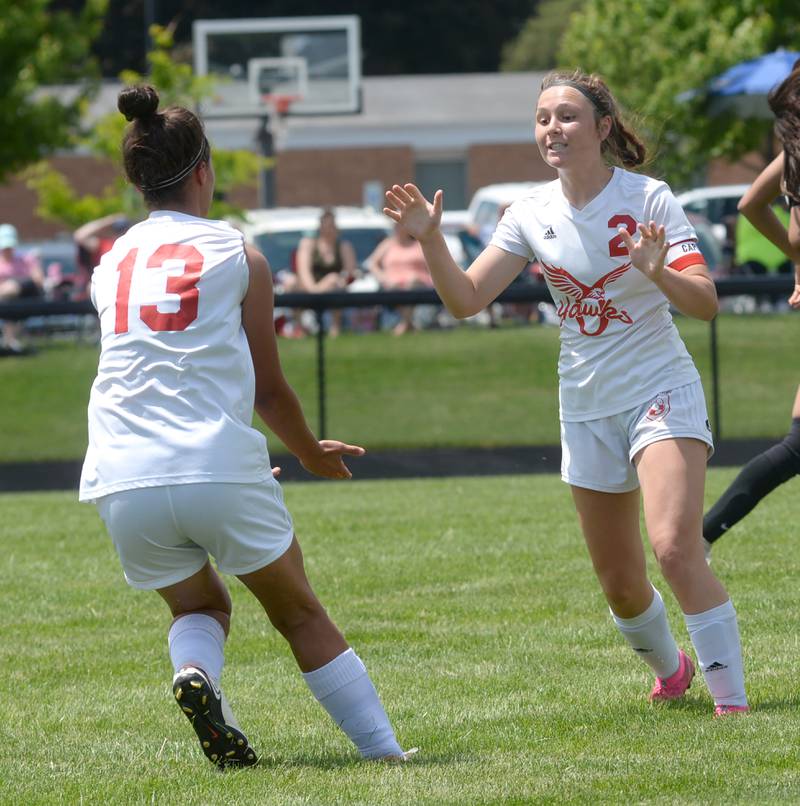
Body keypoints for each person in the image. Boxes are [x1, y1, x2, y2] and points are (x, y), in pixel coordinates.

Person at [384, 69, 749, 716]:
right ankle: (673, 671)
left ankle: (733, 701)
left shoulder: (650, 198)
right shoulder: (529, 212)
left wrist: (658, 271)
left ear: (603, 127)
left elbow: (708, 305)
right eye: (543, 117)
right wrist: (431, 238)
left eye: (568, 116)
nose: (553, 128)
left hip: (659, 387)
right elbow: (466, 299)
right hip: (584, 404)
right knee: (621, 586)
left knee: (672, 546)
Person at [79, 84, 412, 768]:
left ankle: (197, 676)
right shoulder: (239, 254)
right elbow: (268, 388)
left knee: (198, 606)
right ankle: (384, 756)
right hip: (213, 462)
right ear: (205, 171)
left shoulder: (109, 262)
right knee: (299, 614)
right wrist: (313, 453)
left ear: (135, 178)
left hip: (119, 473)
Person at [704, 60, 800, 554]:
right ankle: (699, 537)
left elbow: (750, 206)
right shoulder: (794, 156)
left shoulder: (794, 152)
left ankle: (700, 536)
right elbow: (750, 206)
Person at [295, 208, 358, 337]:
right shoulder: (308, 244)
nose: (330, 229)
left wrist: (336, 280)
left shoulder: (344, 246)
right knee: (291, 283)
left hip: (335, 289)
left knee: (334, 281)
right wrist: (316, 289)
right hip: (310, 289)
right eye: (327, 225)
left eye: (332, 225)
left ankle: (335, 328)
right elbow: (303, 272)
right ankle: (300, 329)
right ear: (320, 227)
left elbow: (349, 274)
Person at [366, 221, 433, 335]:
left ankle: (404, 324)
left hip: (419, 283)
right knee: (395, 288)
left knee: (413, 283)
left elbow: (432, 265)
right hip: (393, 285)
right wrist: (382, 277)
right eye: (396, 225)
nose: (399, 228)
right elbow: (372, 263)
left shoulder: (419, 244)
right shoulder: (387, 244)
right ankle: (409, 323)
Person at [0, 223, 45, 354]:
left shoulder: (26, 259)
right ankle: (10, 340)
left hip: (26, 295)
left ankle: (10, 340)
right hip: (7, 302)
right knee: (9, 300)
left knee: (11, 288)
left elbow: (38, 281)